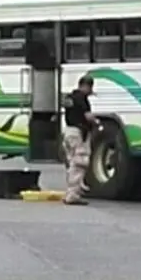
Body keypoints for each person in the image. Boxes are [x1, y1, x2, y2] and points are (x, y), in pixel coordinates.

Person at [62, 75, 98, 205]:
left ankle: (71, 191)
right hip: (78, 133)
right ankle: (73, 195)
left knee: (72, 163)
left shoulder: (70, 97)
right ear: (86, 86)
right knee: (79, 163)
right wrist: (96, 122)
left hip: (68, 132)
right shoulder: (82, 99)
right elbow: (87, 116)